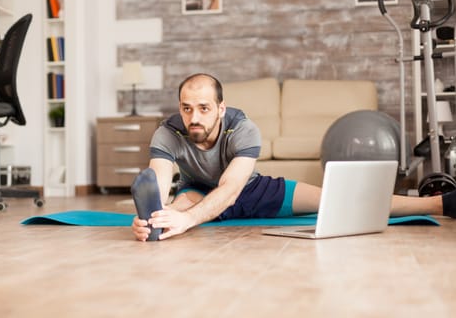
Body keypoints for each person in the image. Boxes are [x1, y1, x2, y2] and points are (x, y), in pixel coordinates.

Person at [131, 73, 456, 241]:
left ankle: (439, 204)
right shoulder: (167, 132)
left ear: (221, 108)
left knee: (338, 199)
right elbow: (158, 179)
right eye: (187, 109)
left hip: (253, 190)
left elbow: (231, 190)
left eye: (204, 108)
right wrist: (152, 217)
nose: (194, 118)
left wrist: (188, 219)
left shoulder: (243, 129)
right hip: (197, 191)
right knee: (172, 212)